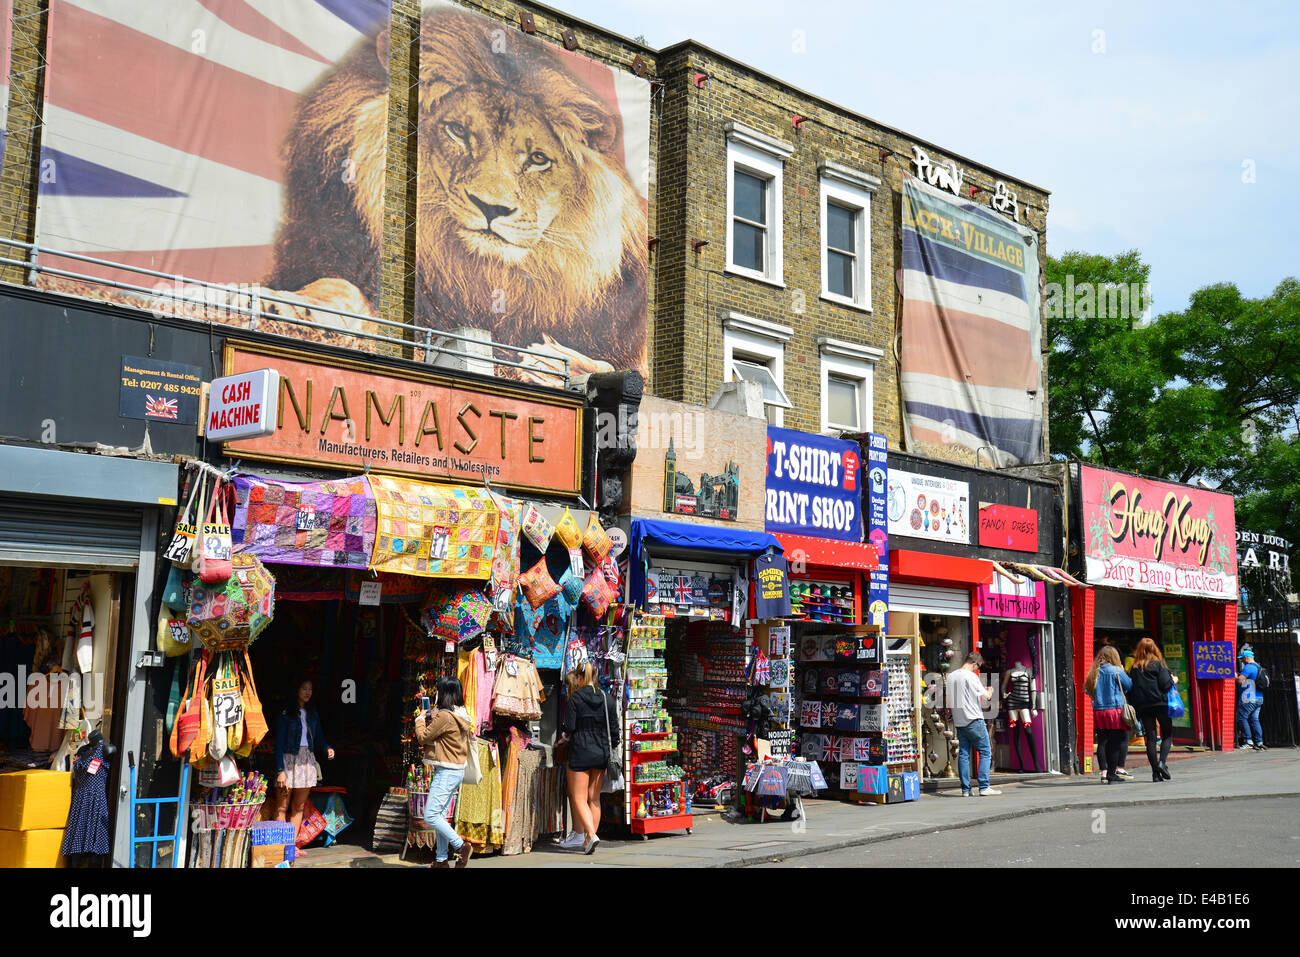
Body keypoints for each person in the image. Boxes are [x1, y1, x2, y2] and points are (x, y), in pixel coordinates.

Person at [559, 661, 619, 854]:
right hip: (601, 752)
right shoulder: (607, 698)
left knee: (578, 796)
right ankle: (587, 840)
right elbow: (615, 732)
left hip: (581, 751)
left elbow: (570, 727)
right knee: (594, 798)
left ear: (579, 677)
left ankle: (591, 834)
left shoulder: (576, 698)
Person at [414, 676, 474, 868]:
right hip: (456, 771)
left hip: (446, 771)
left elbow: (423, 737)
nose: (436, 694)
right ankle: (441, 860)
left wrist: (420, 719)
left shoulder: (445, 716)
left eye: (438, 690)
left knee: (431, 815)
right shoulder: (459, 714)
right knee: (439, 814)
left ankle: (460, 846)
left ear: (444, 693)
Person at [273, 678, 334, 850]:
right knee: (282, 807)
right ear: (296, 690)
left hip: (307, 761)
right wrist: (280, 770)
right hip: (288, 760)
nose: (307, 692)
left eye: (310, 689)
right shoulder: (286, 714)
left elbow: (320, 739)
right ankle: (279, 847)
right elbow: (278, 744)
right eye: (304, 688)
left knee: (298, 807)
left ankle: (290, 847)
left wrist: (328, 748)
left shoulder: (313, 714)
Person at [945, 652, 1000, 797]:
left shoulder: (951, 676)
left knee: (963, 754)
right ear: (974, 663)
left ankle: (965, 790)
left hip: (960, 721)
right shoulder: (970, 676)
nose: (977, 670)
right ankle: (984, 787)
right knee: (985, 751)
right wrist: (990, 690)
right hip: (974, 719)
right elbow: (986, 697)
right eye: (978, 667)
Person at [1127, 638, 1176, 781]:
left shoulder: (1135, 668)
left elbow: (1132, 688)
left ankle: (1155, 773)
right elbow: (1166, 684)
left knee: (1151, 738)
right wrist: (1174, 680)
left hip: (1143, 706)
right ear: (1154, 648)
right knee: (1167, 734)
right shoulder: (1158, 665)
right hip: (1160, 703)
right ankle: (1162, 763)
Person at [1084, 646, 1132, 784]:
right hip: (1114, 709)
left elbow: (1087, 691)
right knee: (1115, 743)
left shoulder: (1094, 672)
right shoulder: (1116, 670)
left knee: (1102, 741)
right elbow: (1129, 685)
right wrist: (1123, 672)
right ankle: (1112, 773)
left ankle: (1104, 772)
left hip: (1099, 710)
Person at [1236, 648, 1266, 751]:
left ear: (1247, 658)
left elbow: (1240, 681)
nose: (1242, 661)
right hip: (1259, 697)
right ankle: (1259, 742)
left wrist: (1236, 676)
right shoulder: (1258, 666)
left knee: (1242, 718)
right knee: (1254, 719)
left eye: (1242, 659)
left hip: (1248, 698)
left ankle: (1248, 741)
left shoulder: (1248, 667)